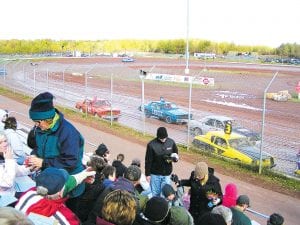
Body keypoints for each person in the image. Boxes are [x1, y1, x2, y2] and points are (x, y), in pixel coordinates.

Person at [27, 92, 85, 208]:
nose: (36, 125)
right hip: (52, 184)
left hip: (69, 187)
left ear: (48, 119)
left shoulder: (68, 133)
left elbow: (70, 161)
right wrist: (34, 157)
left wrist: (43, 163)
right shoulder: (40, 128)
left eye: (38, 122)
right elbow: (38, 147)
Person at [15, 167, 95, 225]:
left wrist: (82, 175)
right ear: (60, 193)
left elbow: (67, 184)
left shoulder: (29, 193)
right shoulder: (65, 218)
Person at [145, 126, 179, 197]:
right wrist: (147, 174)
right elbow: (148, 161)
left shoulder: (171, 142)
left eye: (165, 138)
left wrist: (174, 159)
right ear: (158, 136)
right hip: (155, 174)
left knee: (165, 194)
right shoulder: (151, 145)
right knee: (155, 193)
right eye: (161, 138)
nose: (163, 140)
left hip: (167, 174)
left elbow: (176, 154)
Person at [0, 131, 32, 197]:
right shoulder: (8, 158)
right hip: (4, 199)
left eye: (5, 141)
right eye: (0, 142)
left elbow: (16, 170)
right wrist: (9, 161)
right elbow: (7, 183)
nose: (5, 144)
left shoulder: (4, 155)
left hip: (11, 193)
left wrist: (30, 168)